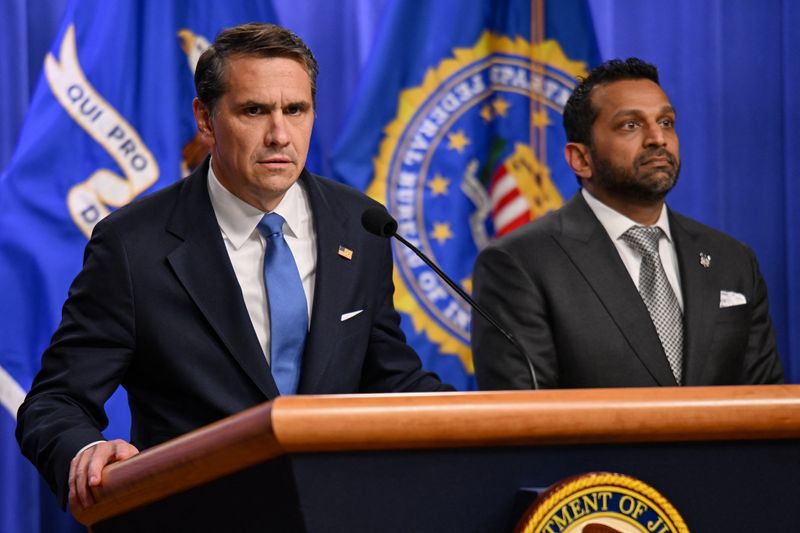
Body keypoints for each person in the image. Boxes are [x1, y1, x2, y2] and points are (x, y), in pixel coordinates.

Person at [16, 23, 451, 512]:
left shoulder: (359, 225)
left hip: (336, 513)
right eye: (254, 110)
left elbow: (390, 378)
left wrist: (474, 424)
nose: (279, 134)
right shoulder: (133, 246)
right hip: (197, 515)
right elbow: (55, 401)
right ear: (206, 120)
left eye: (296, 110)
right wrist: (86, 450)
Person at [472, 57, 784, 390]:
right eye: (630, 126)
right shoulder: (520, 263)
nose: (657, 139)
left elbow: (767, 403)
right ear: (581, 159)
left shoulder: (731, 260)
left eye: (666, 122)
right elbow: (524, 421)